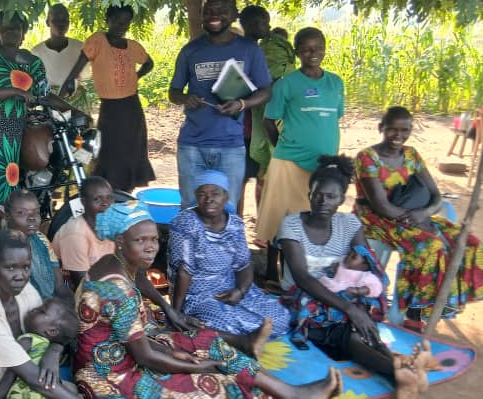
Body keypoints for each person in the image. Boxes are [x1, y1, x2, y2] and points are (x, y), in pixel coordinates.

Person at [74, 201, 342, 399]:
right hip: (110, 375)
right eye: (141, 240)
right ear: (120, 240)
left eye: (154, 239)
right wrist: (198, 367)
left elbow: (140, 284)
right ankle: (284, 393)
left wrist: (173, 343)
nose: (151, 247)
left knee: (206, 342)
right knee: (216, 383)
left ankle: (288, 391)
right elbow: (145, 356)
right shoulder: (119, 291)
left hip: (123, 348)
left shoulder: (113, 261)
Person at [279, 154, 432, 395]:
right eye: (318, 195)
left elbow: (369, 264)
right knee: (343, 329)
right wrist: (350, 309)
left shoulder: (349, 224)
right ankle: (398, 371)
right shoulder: (292, 225)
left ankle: (404, 371)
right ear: (309, 194)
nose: (323, 202)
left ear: (342, 199)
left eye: (331, 196)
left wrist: (357, 300)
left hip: (343, 293)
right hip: (304, 296)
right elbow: (302, 278)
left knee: (359, 325)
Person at [354, 106, 483, 329]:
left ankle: (443, 304)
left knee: (467, 241)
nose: (398, 135)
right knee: (430, 247)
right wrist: (421, 224)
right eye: (392, 129)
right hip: (376, 220)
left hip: (414, 216)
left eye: (404, 130)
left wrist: (424, 215)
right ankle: (413, 314)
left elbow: (436, 196)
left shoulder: (412, 155)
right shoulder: (367, 158)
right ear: (381, 128)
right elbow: (381, 206)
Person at [0, 11, 80, 204]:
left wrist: (74, 111)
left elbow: (45, 95)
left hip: (11, 136)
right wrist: (16, 91)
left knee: (6, 187)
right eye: (5, 28)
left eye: (16, 28)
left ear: (24, 31)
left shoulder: (33, 63)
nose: (11, 32)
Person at [169, 0, 273, 208]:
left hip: (230, 145)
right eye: (208, 11)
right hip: (192, 145)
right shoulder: (190, 51)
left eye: (221, 11)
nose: (214, 16)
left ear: (234, 15)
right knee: (190, 207)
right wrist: (186, 98)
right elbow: (173, 92)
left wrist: (242, 104)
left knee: (227, 208)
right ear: (202, 15)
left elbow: (266, 91)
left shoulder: (249, 50)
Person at [168, 170, 291, 354]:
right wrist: (176, 314)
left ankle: (242, 337)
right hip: (196, 294)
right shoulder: (185, 223)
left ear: (226, 196)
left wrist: (240, 291)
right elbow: (184, 271)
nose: (209, 199)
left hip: (230, 287)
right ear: (196, 197)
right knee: (222, 323)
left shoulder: (234, 224)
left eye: (215, 193)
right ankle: (243, 340)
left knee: (280, 318)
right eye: (202, 194)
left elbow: (244, 264)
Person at [0, 229, 79, 399]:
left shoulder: (26, 291)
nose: (20, 276)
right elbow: (33, 378)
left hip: (20, 381)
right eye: (11, 268)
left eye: (26, 267)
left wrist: (54, 349)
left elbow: (51, 329)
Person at [256, 27, 344, 249]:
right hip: (289, 162)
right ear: (297, 53)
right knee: (279, 219)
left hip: (323, 164)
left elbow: (333, 118)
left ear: (325, 49)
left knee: (311, 217)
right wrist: (284, 147)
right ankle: (272, 267)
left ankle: (302, 263)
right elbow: (269, 121)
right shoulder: (286, 84)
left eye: (318, 48)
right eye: (306, 49)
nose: (313, 53)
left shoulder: (336, 83)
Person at [62, 5, 155, 193]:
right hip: (110, 109)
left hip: (132, 108)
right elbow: (76, 69)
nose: (121, 26)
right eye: (117, 21)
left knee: (131, 151)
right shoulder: (97, 41)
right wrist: (63, 91)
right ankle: (107, 194)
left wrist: (136, 77)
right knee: (108, 152)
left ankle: (126, 194)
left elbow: (149, 63)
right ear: (108, 20)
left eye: (126, 23)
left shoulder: (132, 46)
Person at [238, 5, 296, 216]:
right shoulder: (241, 50)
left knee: (263, 176)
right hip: (245, 127)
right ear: (250, 24)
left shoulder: (268, 50)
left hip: (261, 127)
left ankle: (261, 225)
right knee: (241, 179)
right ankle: (237, 224)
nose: (268, 27)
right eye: (264, 22)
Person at [0, 297, 81, 399]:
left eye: (41, 311)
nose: (34, 309)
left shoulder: (27, 341)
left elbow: (9, 375)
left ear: (52, 331)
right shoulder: (51, 351)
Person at [4, 190, 69, 300]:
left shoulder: (41, 239)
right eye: (21, 213)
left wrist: (70, 301)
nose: (32, 218)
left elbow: (59, 284)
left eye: (36, 212)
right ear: (7, 216)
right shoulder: (3, 248)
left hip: (52, 302)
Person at [51, 176, 115, 288]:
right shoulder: (75, 234)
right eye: (97, 199)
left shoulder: (113, 225)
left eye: (109, 198)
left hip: (104, 281)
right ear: (83, 202)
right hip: (71, 286)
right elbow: (82, 284)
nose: (105, 204)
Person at [31, 4, 89, 97]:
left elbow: (84, 78)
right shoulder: (36, 52)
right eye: (56, 20)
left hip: (75, 100)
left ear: (69, 22)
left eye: (64, 20)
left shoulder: (80, 47)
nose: (60, 24)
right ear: (47, 22)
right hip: (48, 100)